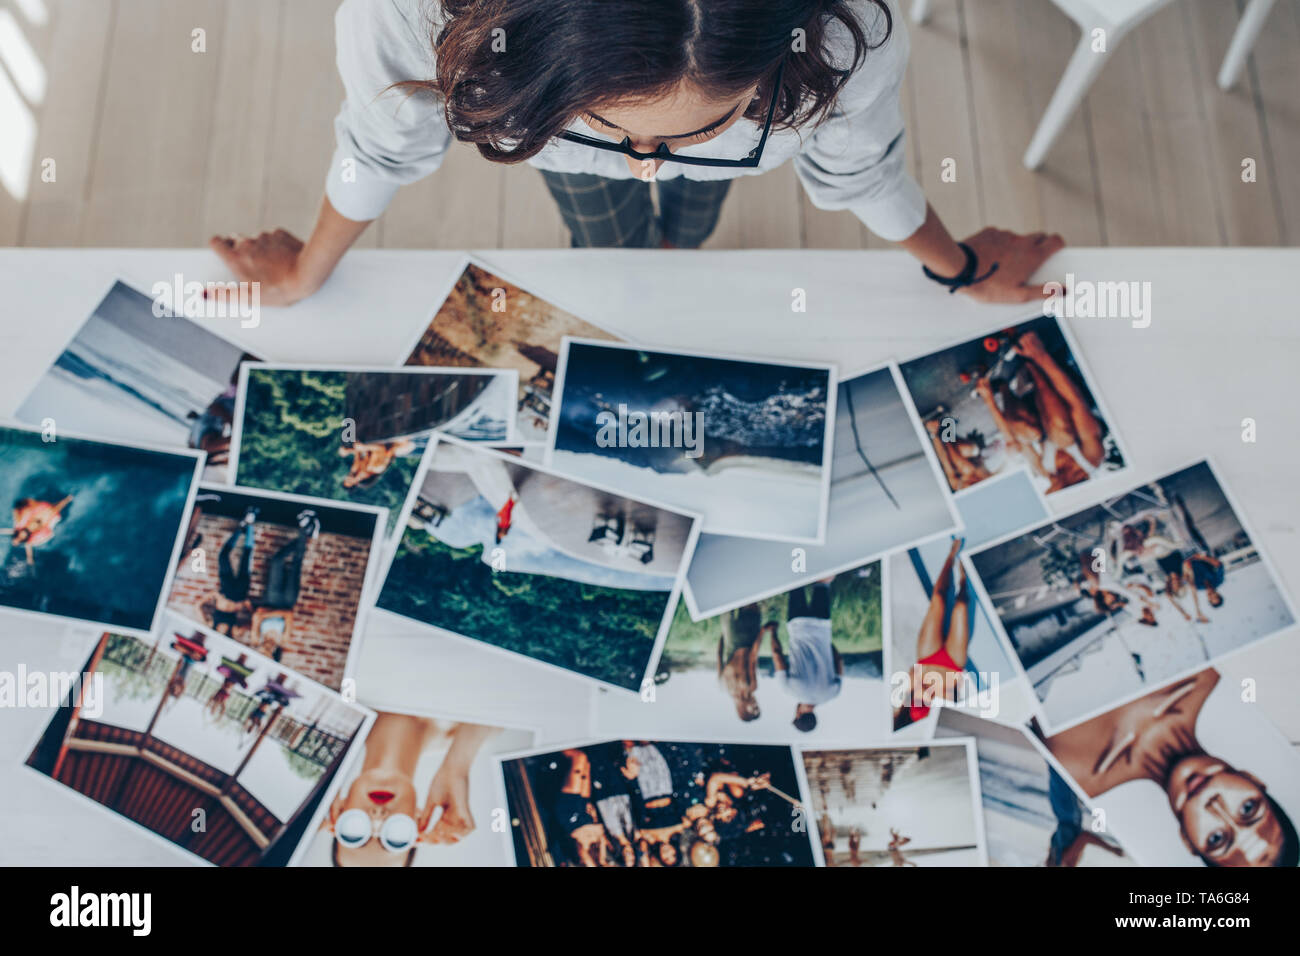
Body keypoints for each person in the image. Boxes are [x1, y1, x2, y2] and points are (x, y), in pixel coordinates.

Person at [210, 0, 1063, 307]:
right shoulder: (408, 10)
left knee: (692, 212)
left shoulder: (852, 35)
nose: (647, 159)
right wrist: (307, 270)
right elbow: (385, 140)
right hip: (564, 174)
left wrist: (958, 268)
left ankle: (677, 241)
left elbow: (859, 167)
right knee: (603, 226)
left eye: (703, 128)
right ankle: (634, 246)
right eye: (610, 125)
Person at [1045, 669, 1299, 867]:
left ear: (1188, 841)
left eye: (1216, 839)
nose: (1215, 807)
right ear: (1252, 779)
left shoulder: (1075, 768)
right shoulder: (1209, 675)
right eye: (1247, 808)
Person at [323, 713, 498, 866]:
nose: (378, 816)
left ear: (338, 813)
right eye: (396, 836)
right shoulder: (472, 735)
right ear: (417, 824)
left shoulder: (332, 712)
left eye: (354, 831)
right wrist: (457, 767)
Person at [972, 329, 1106, 494]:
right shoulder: (1091, 458)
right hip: (1065, 388)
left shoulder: (1044, 471)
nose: (1046, 492)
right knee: (1062, 436)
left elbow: (1012, 440)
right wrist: (1040, 355)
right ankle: (1031, 358)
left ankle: (1002, 384)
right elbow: (1076, 403)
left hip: (1034, 403)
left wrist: (989, 399)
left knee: (1024, 435)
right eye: (1049, 494)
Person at [896, 537, 969, 726]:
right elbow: (953, 698)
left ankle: (951, 556)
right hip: (950, 670)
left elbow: (912, 674)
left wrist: (915, 684)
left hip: (927, 661)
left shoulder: (901, 715)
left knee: (938, 599)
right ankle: (963, 579)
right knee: (961, 606)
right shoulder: (936, 725)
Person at [769, 579, 843, 732]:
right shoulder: (789, 690)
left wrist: (825, 642)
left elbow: (839, 660)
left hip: (822, 627)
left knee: (822, 583)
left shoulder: (832, 693)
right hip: (798, 625)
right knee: (797, 582)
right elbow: (777, 655)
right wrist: (772, 632)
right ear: (798, 715)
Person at [212, 508, 257, 636]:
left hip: (225, 587)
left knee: (223, 556)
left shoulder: (210, 626)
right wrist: (248, 606)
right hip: (240, 592)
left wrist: (214, 595)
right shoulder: (234, 632)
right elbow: (254, 621)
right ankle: (251, 523)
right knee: (246, 556)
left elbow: (197, 606)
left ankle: (241, 527)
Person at [716, 603, 763, 722]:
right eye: (758, 707)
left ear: (743, 709)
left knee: (750, 601)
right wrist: (724, 634)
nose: (756, 703)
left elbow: (753, 657)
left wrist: (763, 631)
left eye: (754, 708)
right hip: (731, 642)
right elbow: (718, 655)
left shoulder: (751, 687)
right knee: (728, 603)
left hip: (746, 642)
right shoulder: (723, 687)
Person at [3, 495, 73, 566]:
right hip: (42, 523)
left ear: (14, 538)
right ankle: (67, 499)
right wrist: (30, 558)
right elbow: (28, 549)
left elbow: (7, 531)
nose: (17, 541)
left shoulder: (16, 531)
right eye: (17, 542)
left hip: (35, 518)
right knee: (54, 510)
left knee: (51, 508)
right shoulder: (26, 540)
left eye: (15, 540)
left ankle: (62, 500)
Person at [338, 438, 418, 489]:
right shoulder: (376, 468)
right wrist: (364, 447)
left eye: (347, 480)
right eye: (350, 481)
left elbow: (361, 452)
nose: (348, 478)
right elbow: (380, 448)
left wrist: (348, 451)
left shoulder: (357, 469)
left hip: (387, 441)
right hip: (403, 442)